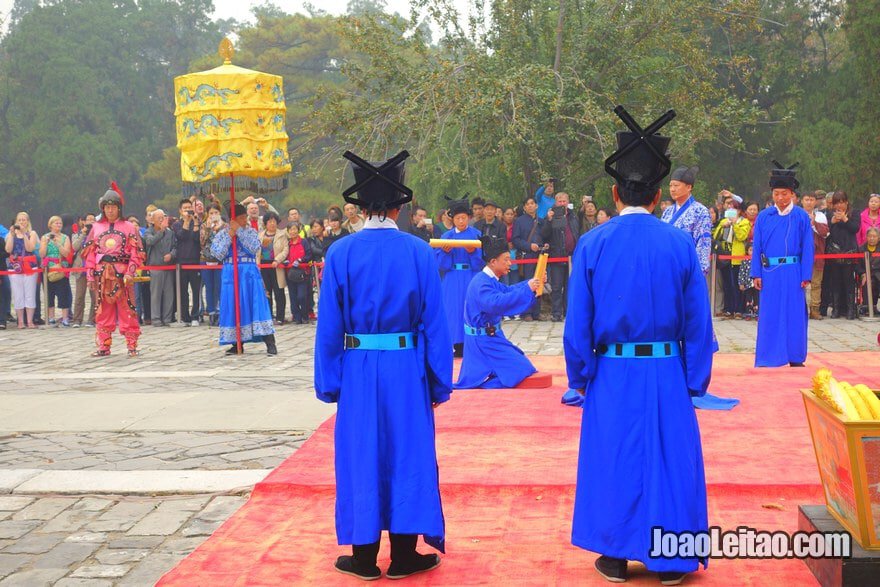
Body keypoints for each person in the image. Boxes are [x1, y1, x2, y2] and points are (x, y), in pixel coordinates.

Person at [565, 107, 713, 585]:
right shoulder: (678, 244)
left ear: (614, 193)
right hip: (667, 369)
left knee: (614, 456)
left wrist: (581, 377)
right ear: (657, 195)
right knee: (670, 459)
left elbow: (577, 327)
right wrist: (694, 380)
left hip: (612, 371)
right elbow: (697, 323)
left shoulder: (592, 244)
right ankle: (671, 558)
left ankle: (613, 555)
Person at [315, 150, 451, 581]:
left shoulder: (340, 253)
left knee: (362, 454)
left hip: (357, 365)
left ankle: (363, 556)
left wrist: (330, 380)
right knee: (407, 452)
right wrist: (437, 381)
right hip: (405, 365)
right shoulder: (418, 252)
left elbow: (329, 326)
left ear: (358, 207)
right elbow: (435, 323)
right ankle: (406, 555)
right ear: (399, 206)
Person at [455, 235, 541, 388]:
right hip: (482, 342)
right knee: (521, 370)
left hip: (492, 338)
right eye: (506, 259)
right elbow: (497, 303)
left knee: (525, 367)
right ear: (493, 262)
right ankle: (484, 380)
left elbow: (507, 291)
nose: (510, 263)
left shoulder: (489, 280)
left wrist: (530, 284)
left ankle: (490, 374)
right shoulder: (481, 283)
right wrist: (528, 288)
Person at [750, 162, 814, 366]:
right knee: (770, 314)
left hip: (794, 271)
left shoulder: (801, 216)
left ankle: (795, 356)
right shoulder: (764, 217)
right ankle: (768, 356)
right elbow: (757, 246)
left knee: (795, 313)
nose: (781, 198)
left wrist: (806, 275)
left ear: (793, 194)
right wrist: (756, 273)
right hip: (770, 272)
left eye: (785, 193)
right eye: (777, 193)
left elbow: (808, 248)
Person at [83, 184, 146, 356]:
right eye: (107, 207)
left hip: (123, 275)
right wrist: (90, 275)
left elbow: (136, 253)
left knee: (128, 310)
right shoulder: (96, 228)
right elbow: (90, 254)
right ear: (103, 209)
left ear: (119, 208)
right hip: (102, 276)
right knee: (103, 311)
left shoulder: (129, 227)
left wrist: (130, 272)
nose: (110, 210)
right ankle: (104, 346)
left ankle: (132, 345)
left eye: (113, 207)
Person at [210, 202, 277, 355]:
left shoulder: (251, 232)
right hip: (230, 273)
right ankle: (236, 342)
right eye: (240, 218)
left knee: (256, 305)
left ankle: (270, 341)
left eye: (244, 217)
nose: (244, 220)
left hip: (248, 273)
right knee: (234, 306)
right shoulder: (222, 233)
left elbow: (254, 248)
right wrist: (230, 235)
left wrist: (239, 231)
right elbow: (217, 253)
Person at [436, 197, 484, 357]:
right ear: (452, 219)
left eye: (464, 217)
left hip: (471, 275)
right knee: (452, 309)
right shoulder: (446, 236)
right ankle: (456, 344)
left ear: (468, 218)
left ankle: (473, 342)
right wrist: (445, 252)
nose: (461, 221)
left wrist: (473, 253)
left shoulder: (477, 234)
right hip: (452, 277)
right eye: (458, 218)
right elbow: (441, 265)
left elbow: (480, 263)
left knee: (470, 307)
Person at [661, 166, 713, 274]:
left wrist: (698, 274)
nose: (672, 189)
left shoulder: (701, 212)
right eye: (670, 185)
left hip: (687, 269)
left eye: (676, 185)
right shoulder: (667, 212)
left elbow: (703, 245)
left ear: (689, 187)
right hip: (666, 268)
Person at [541, 192, 579, 322]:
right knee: (556, 287)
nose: (562, 203)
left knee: (570, 286)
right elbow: (544, 234)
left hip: (571, 256)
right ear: (555, 202)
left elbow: (576, 233)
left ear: (568, 202)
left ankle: (569, 312)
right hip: (557, 256)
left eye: (564, 201)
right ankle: (556, 313)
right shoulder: (550, 216)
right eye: (559, 201)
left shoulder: (573, 216)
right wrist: (549, 220)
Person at [712, 195, 750, 318]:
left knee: (737, 285)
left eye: (734, 208)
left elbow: (742, 236)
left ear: (739, 210)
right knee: (727, 284)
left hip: (737, 258)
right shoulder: (724, 221)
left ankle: (739, 309)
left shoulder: (744, 222)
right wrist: (723, 226)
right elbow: (716, 236)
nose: (731, 210)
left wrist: (735, 224)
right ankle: (728, 309)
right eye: (729, 208)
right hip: (725, 256)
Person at [825, 190, 861, 320]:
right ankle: (836, 309)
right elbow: (825, 231)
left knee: (849, 282)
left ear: (846, 202)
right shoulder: (830, 214)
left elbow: (855, 228)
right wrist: (832, 222)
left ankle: (850, 310)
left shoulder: (854, 213)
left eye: (842, 202)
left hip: (849, 251)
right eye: (836, 203)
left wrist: (845, 219)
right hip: (834, 251)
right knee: (835, 282)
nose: (839, 206)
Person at [4, 212, 39, 328]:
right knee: (18, 294)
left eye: (24, 220)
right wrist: (12, 234)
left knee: (30, 294)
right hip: (15, 267)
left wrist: (24, 234)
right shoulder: (11, 234)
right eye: (19, 220)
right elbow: (8, 249)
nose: (22, 222)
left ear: (28, 221)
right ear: (16, 222)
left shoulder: (32, 233)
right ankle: (20, 321)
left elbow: (30, 248)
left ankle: (29, 321)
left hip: (29, 266)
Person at [511, 197, 544, 321]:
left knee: (539, 283)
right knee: (528, 284)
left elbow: (546, 236)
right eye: (527, 204)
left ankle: (537, 312)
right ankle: (527, 313)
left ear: (536, 206)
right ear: (524, 208)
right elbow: (515, 239)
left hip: (540, 256)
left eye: (532, 203)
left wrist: (545, 245)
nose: (530, 206)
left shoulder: (541, 221)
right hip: (527, 256)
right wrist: (529, 246)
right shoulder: (519, 221)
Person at [172, 199, 203, 326]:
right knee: (182, 291)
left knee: (196, 290)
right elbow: (181, 236)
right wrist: (186, 221)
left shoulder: (197, 223)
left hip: (195, 261)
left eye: (189, 207)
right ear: (180, 210)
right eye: (185, 208)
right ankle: (185, 316)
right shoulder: (176, 224)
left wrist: (195, 223)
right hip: (181, 263)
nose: (188, 210)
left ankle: (196, 315)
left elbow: (197, 240)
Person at [144, 209, 176, 327]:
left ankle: (167, 318)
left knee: (169, 294)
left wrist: (171, 255)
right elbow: (150, 242)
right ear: (153, 220)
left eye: (163, 218)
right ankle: (156, 319)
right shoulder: (148, 232)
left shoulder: (170, 233)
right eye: (159, 218)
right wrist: (161, 232)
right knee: (155, 294)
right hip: (155, 268)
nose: (162, 220)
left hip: (168, 267)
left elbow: (175, 247)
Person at [40, 215, 73, 327]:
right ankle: (51, 317)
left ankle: (65, 318)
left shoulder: (65, 237)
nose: (58, 225)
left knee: (63, 293)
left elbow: (66, 253)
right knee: (49, 293)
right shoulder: (44, 237)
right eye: (56, 223)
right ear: (50, 225)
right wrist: (46, 242)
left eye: (60, 223)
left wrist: (57, 242)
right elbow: (42, 254)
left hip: (61, 267)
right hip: (48, 269)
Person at [801, 191, 829, 320]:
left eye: (811, 200)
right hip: (800, 255)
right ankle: (801, 309)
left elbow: (825, 233)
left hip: (817, 255)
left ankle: (815, 309)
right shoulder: (797, 215)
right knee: (800, 284)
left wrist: (814, 223)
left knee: (816, 284)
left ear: (815, 202)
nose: (809, 202)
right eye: (807, 199)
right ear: (802, 201)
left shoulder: (820, 216)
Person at [258, 211, 288, 325]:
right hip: (263, 266)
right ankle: (268, 317)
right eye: (269, 221)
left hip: (276, 266)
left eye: (274, 221)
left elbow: (285, 250)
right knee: (266, 292)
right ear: (265, 223)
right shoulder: (260, 235)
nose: (272, 223)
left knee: (279, 292)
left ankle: (280, 317)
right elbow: (257, 251)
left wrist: (277, 259)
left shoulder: (282, 234)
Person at [71, 213, 98, 328]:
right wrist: (83, 234)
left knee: (94, 296)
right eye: (88, 220)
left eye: (93, 219)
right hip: (81, 268)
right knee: (79, 295)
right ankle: (77, 320)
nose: (91, 222)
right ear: (83, 222)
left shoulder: (98, 233)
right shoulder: (77, 234)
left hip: (94, 268)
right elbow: (75, 247)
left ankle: (92, 319)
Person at [200, 204, 225, 326]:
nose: (213, 215)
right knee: (209, 286)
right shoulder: (204, 226)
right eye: (211, 213)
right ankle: (211, 312)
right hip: (206, 259)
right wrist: (209, 229)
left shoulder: (225, 226)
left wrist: (219, 228)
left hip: (221, 260)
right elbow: (201, 242)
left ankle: (221, 312)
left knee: (220, 286)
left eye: (216, 212)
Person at [285, 223, 312, 324]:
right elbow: (285, 254)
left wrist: (301, 260)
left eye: (295, 229)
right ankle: (297, 317)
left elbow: (309, 254)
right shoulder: (288, 243)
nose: (293, 232)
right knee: (293, 297)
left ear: (298, 230)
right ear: (288, 231)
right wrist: (286, 261)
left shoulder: (304, 242)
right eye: (290, 230)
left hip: (302, 273)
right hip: (290, 273)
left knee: (302, 296)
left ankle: (305, 316)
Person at [856, 227, 880, 315]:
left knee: (876, 281)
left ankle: (874, 306)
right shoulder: (861, 248)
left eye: (874, 236)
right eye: (870, 236)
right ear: (866, 237)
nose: (872, 238)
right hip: (866, 274)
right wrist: (863, 274)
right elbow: (857, 265)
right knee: (868, 282)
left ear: (878, 237)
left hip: (878, 273)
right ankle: (866, 307)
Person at [738, 242, 759, 320]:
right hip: (748, 283)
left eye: (754, 250)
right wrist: (741, 283)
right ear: (747, 251)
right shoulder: (745, 260)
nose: (752, 252)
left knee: (757, 298)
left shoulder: (758, 260)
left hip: (757, 283)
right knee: (748, 299)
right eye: (750, 250)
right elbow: (741, 272)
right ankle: (748, 313)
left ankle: (757, 313)